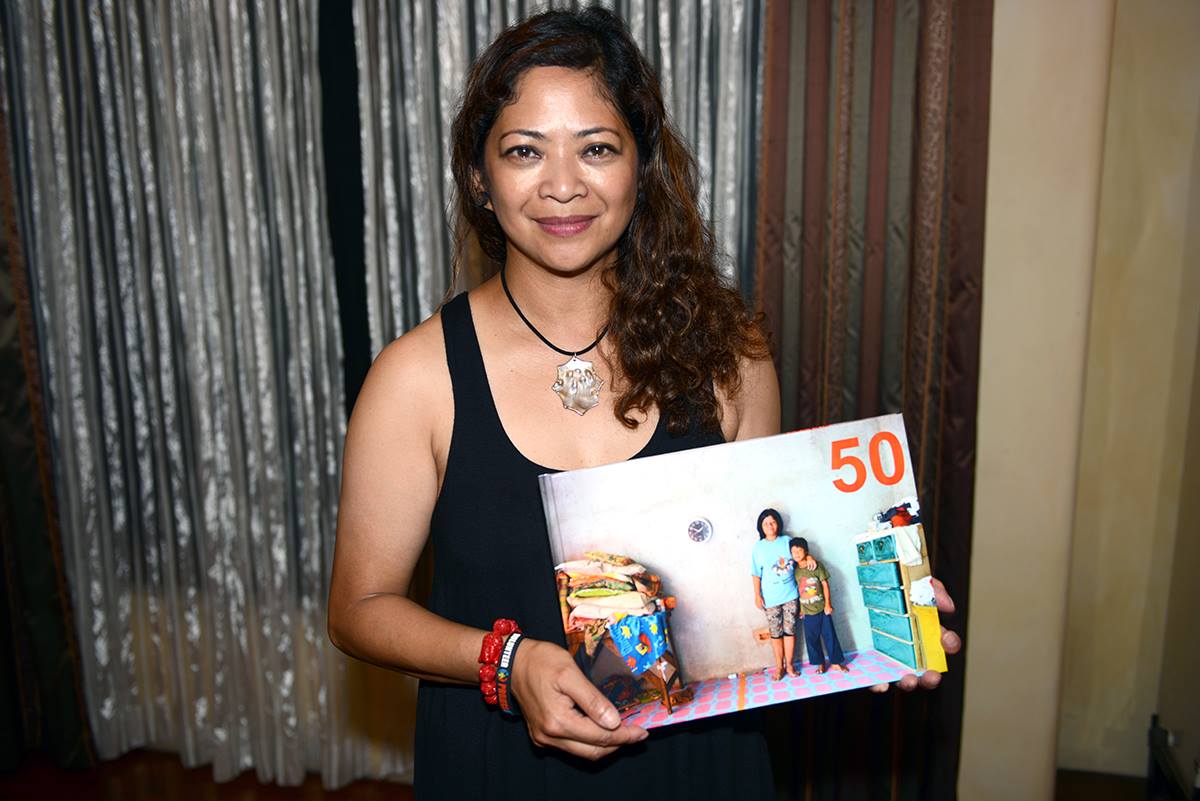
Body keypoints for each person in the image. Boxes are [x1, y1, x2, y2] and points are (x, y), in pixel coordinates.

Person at [326, 8, 959, 801]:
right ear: (480, 178)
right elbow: (359, 608)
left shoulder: (728, 354)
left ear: (641, 165)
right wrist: (508, 661)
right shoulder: (417, 377)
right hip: (501, 769)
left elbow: (753, 579)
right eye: (525, 151)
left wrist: (875, 623)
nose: (563, 184)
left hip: (700, 767)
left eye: (597, 148)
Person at [749, 508, 814, 680]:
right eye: (766, 523)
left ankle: (790, 666)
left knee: (790, 631)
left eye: (773, 522)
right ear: (761, 527)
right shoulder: (758, 547)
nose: (770, 526)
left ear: (778, 523)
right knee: (776, 633)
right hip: (770, 598)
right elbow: (755, 574)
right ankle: (779, 667)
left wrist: (810, 558)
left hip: (790, 595)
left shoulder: (787, 541)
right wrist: (757, 595)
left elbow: (801, 555)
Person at [789, 537, 848, 674]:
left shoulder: (816, 565)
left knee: (830, 636)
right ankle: (820, 664)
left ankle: (835, 662)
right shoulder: (795, 570)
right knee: (812, 640)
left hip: (822, 609)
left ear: (806, 551)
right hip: (807, 612)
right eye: (793, 552)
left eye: (799, 550)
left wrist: (828, 604)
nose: (796, 554)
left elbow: (825, 584)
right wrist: (801, 609)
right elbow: (799, 590)